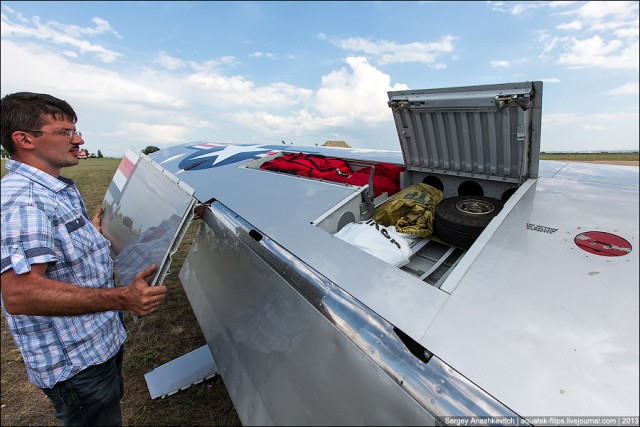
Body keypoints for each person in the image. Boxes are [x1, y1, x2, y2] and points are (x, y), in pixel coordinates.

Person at [0, 92, 167, 426]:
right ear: (24, 140)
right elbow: (21, 293)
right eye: (65, 132)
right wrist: (124, 297)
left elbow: (56, 247)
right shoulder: (25, 201)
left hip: (95, 345)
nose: (79, 140)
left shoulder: (52, 187)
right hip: (77, 364)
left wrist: (89, 230)